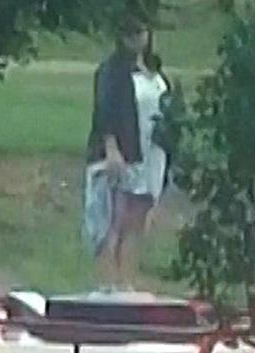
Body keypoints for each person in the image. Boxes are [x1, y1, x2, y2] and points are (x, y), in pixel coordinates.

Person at [86, 17, 172, 290]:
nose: (136, 39)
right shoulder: (112, 71)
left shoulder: (154, 70)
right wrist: (112, 149)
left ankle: (127, 282)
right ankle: (107, 283)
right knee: (115, 219)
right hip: (125, 150)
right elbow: (105, 111)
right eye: (130, 34)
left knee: (138, 219)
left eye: (140, 33)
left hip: (152, 151)